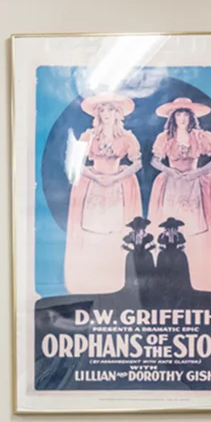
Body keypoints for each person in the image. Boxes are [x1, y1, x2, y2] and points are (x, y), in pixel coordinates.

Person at [146, 97, 211, 292]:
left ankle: (197, 273)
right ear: (173, 117)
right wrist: (170, 171)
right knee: (170, 225)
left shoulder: (201, 137)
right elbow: (154, 160)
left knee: (194, 227)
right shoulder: (164, 138)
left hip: (194, 183)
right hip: (172, 183)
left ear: (191, 117)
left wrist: (197, 173)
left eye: (185, 114)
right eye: (178, 114)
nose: (181, 118)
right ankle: (168, 278)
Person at [61, 94, 143, 295]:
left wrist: (117, 177)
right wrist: (97, 178)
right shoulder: (89, 136)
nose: (106, 114)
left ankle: (115, 280)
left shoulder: (127, 138)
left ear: (118, 113)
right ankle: (90, 280)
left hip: (117, 185)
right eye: (103, 110)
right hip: (93, 185)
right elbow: (75, 163)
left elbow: (138, 163)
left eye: (110, 109)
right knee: (92, 230)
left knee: (116, 231)